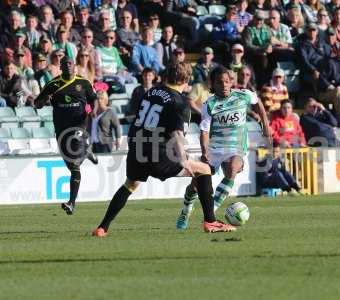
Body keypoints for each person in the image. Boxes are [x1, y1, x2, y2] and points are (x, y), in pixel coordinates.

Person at [93, 62, 236, 237]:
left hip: (137, 150)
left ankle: (102, 227)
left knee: (130, 185)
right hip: (159, 154)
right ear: (185, 79)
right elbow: (177, 133)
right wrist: (183, 159)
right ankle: (211, 221)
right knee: (204, 169)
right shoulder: (179, 102)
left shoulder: (150, 92)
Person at [176, 66, 271, 230]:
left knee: (233, 168)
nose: (225, 85)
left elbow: (258, 103)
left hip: (236, 148)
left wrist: (265, 124)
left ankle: (211, 212)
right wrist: (205, 152)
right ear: (213, 84)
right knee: (196, 184)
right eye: (220, 82)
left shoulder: (243, 95)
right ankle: (186, 210)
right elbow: (204, 131)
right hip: (215, 149)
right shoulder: (209, 104)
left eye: (227, 81)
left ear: (231, 82)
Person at [35, 57, 99, 215]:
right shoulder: (53, 84)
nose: (68, 66)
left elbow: (94, 99)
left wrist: (95, 111)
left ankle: (71, 202)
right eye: (65, 64)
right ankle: (86, 152)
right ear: (61, 67)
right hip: (61, 130)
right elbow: (37, 103)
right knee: (72, 167)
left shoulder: (83, 83)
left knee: (75, 161)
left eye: (70, 63)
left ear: (75, 66)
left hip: (79, 126)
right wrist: (44, 99)